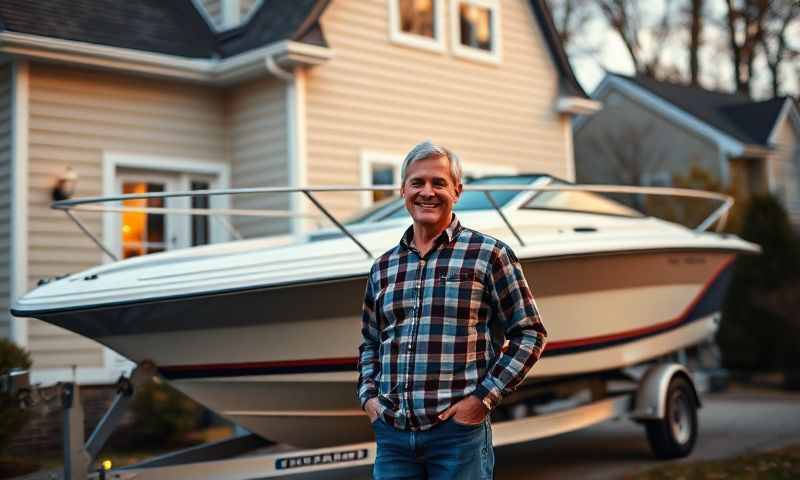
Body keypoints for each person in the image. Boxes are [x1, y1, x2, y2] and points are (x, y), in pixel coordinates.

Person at [357, 140, 548, 479]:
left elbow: (530, 333)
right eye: (417, 182)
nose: (427, 192)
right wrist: (370, 398)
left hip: (458, 437)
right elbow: (371, 342)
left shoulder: (489, 255)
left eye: (438, 183)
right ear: (403, 190)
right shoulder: (383, 267)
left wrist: (482, 400)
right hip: (393, 438)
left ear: (457, 191)